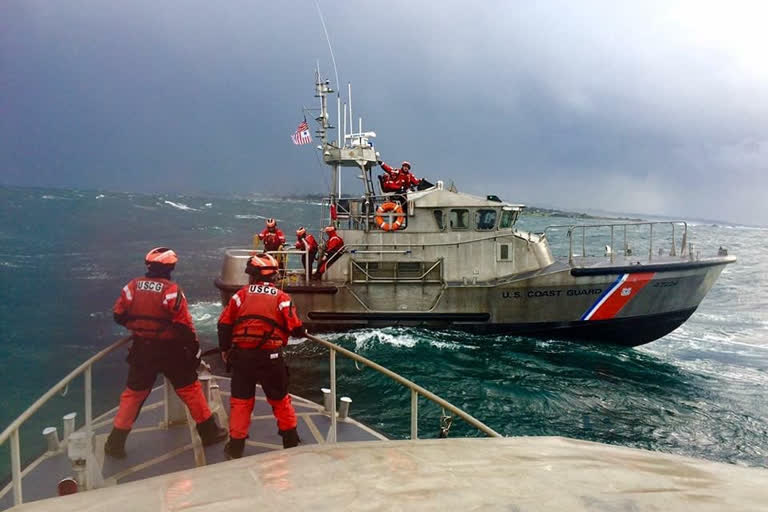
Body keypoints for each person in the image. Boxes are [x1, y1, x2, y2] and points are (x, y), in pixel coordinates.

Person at [105, 247, 227, 458]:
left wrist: (141, 328)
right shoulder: (171, 291)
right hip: (171, 351)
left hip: (142, 349)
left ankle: (115, 442)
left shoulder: (131, 287)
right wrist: (194, 349)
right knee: (190, 390)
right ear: (170, 267)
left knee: (133, 396)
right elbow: (184, 327)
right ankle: (209, 433)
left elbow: (119, 315)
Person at [217, 253, 306, 459]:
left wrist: (225, 350)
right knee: (280, 400)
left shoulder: (240, 295)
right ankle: (290, 441)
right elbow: (295, 327)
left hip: (242, 357)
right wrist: (300, 331)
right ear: (273, 277)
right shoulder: (282, 298)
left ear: (253, 275)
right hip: (271, 357)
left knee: (241, 401)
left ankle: (236, 446)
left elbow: (224, 324)